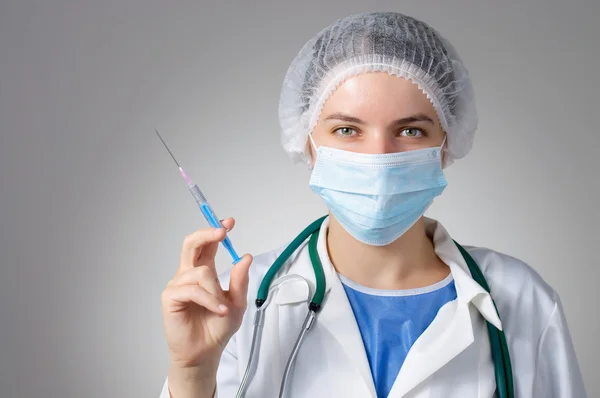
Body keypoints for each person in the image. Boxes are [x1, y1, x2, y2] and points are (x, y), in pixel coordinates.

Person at [159, 12, 587, 398]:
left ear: (446, 143)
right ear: (308, 145)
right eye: (347, 130)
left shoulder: (521, 298)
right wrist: (192, 375)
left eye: (411, 131)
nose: (379, 156)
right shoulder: (239, 299)